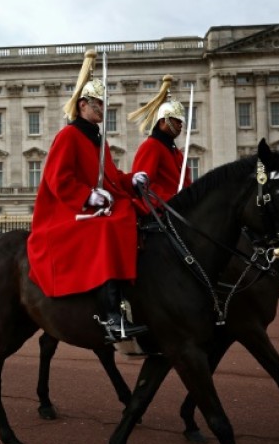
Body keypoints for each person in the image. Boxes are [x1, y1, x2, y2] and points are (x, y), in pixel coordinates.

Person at [26, 49, 148, 342]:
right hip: (67, 211)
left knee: (134, 214)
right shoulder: (68, 136)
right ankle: (111, 316)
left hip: (94, 204)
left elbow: (113, 178)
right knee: (108, 226)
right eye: (98, 104)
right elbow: (58, 180)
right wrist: (88, 196)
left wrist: (134, 179)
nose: (102, 109)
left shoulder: (97, 140)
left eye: (103, 104)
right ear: (82, 105)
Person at [129, 75, 191, 214]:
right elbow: (144, 186)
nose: (180, 125)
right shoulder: (151, 146)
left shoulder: (176, 152)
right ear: (163, 122)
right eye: (176, 121)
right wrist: (171, 201)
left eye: (181, 122)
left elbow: (186, 183)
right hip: (163, 211)